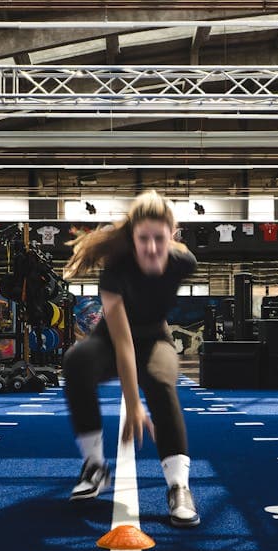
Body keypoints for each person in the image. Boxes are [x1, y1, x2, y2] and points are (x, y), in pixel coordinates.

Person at [61, 190, 200, 527]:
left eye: (159, 238)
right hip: (112, 338)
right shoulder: (116, 271)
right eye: (143, 239)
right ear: (133, 237)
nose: (152, 247)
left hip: (156, 338)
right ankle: (95, 465)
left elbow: (144, 348)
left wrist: (142, 397)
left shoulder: (184, 263)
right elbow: (123, 344)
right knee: (76, 360)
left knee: (160, 381)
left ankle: (179, 486)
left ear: (173, 233)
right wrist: (132, 403)